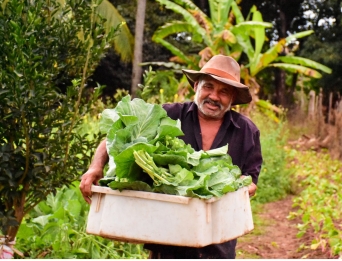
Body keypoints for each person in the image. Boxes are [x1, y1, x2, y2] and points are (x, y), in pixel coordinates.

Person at [80, 54, 263, 259]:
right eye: (208, 87)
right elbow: (116, 134)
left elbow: (251, 181)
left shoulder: (247, 131)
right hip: (166, 240)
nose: (214, 96)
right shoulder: (168, 114)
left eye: (224, 91)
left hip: (217, 242)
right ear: (196, 87)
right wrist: (95, 167)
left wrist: (232, 186)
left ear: (232, 98)